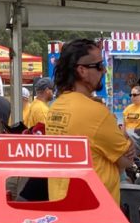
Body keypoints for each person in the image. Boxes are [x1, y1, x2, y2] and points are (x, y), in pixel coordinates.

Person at [44, 37, 133, 202]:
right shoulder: (97, 113)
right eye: (99, 66)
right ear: (82, 70)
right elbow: (126, 160)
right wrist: (122, 134)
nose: (104, 71)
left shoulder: (55, 108)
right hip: (96, 209)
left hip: (60, 203)